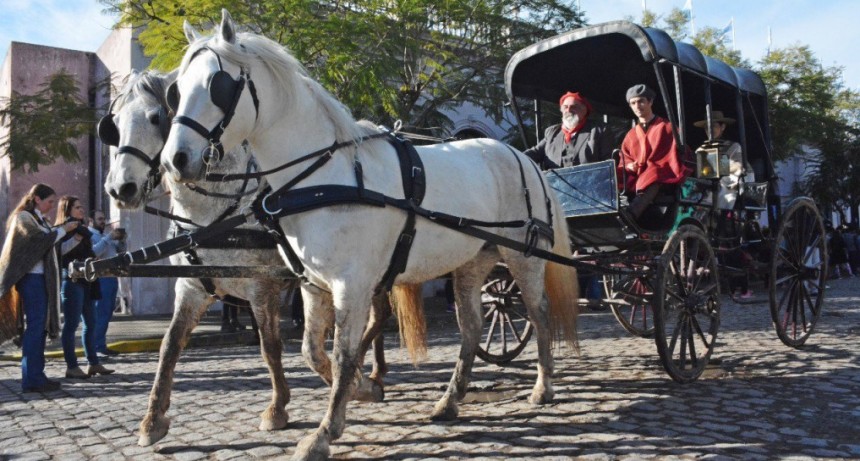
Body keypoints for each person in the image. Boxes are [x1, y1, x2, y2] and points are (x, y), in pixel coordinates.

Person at [0, 184, 79, 392]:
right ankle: (31, 378)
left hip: (42, 280)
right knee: (35, 327)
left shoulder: (40, 220)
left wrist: (65, 233)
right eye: (49, 201)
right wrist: (62, 230)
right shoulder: (23, 218)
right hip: (31, 280)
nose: (52, 206)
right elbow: (38, 242)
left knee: (40, 327)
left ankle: (37, 374)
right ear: (37, 199)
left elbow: (49, 243)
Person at [55, 196, 114, 378]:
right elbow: (60, 252)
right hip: (72, 281)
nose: (81, 210)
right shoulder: (62, 229)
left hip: (88, 281)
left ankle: (93, 363)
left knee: (91, 323)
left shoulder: (84, 230)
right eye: (77, 207)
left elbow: (90, 252)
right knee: (71, 324)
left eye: (81, 207)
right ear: (67, 210)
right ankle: (72, 366)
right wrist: (77, 237)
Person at [618, 84, 690, 218]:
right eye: (633, 103)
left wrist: (655, 165)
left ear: (650, 102)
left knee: (653, 174)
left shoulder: (667, 127)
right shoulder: (630, 135)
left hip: (662, 176)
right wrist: (628, 166)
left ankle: (631, 214)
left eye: (641, 101)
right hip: (635, 176)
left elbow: (677, 155)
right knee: (613, 176)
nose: (637, 106)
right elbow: (625, 158)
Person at [523, 91, 612, 170]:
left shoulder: (599, 130)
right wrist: (515, 157)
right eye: (565, 107)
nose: (568, 110)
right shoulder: (552, 132)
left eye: (574, 107)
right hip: (554, 183)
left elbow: (607, 165)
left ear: (584, 110)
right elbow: (534, 153)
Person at [693, 111, 754, 210]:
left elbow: (738, 167)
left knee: (723, 191)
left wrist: (715, 166)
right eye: (706, 127)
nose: (710, 130)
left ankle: (720, 215)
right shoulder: (700, 150)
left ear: (723, 127)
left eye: (713, 126)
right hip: (706, 188)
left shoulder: (733, 146)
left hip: (728, 187)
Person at [88, 210, 126, 358]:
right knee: (100, 314)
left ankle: (101, 344)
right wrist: (109, 237)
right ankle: (96, 346)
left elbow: (120, 251)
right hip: (100, 278)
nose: (103, 221)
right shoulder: (90, 235)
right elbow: (95, 253)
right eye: (99, 219)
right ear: (91, 220)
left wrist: (121, 240)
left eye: (104, 219)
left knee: (107, 313)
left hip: (112, 277)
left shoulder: (104, 235)